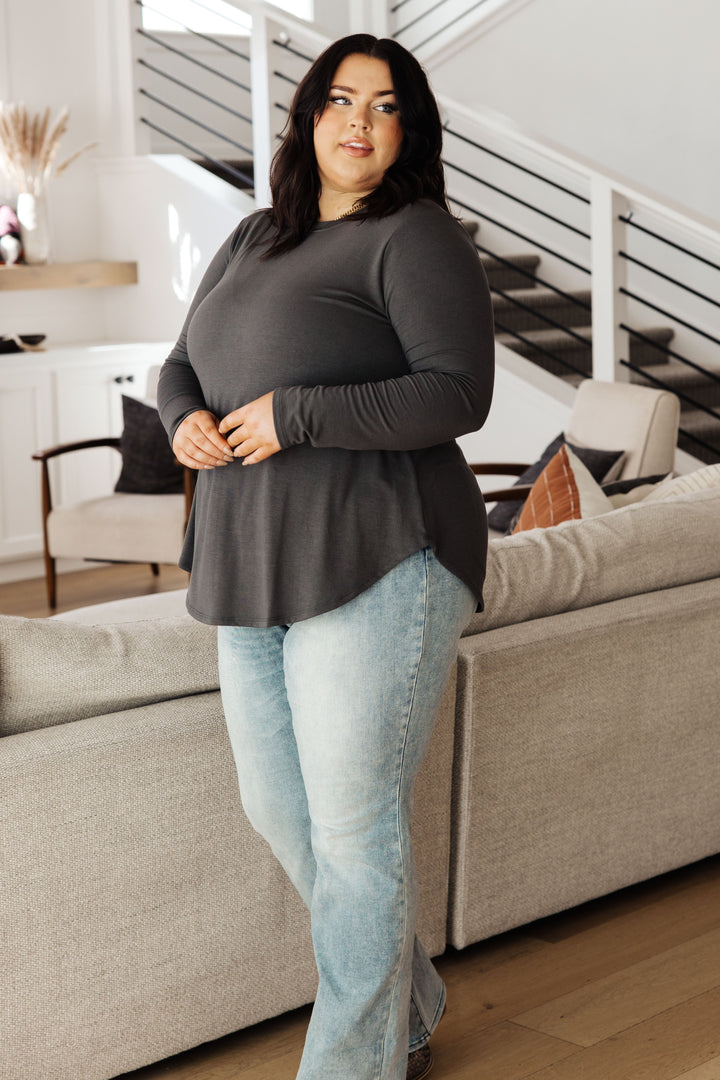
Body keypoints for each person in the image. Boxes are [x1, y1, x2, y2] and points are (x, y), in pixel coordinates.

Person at [157, 32, 494, 1080]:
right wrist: (181, 420)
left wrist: (296, 413)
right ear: (308, 118)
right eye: (341, 100)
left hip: (380, 550)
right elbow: (181, 362)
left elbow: (457, 394)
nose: (359, 122)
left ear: (409, 132)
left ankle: (354, 1065)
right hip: (249, 558)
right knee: (279, 809)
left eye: (385, 107)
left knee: (353, 827)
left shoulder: (416, 236)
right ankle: (408, 1006)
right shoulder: (256, 234)